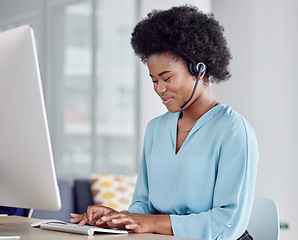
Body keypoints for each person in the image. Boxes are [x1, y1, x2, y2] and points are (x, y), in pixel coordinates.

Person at [70, 5, 259, 240]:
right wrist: (119, 219)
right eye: (153, 80)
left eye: (166, 78)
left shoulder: (233, 130)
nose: (159, 89)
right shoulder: (156, 129)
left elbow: (227, 224)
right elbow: (143, 205)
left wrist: (152, 223)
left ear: (198, 69)